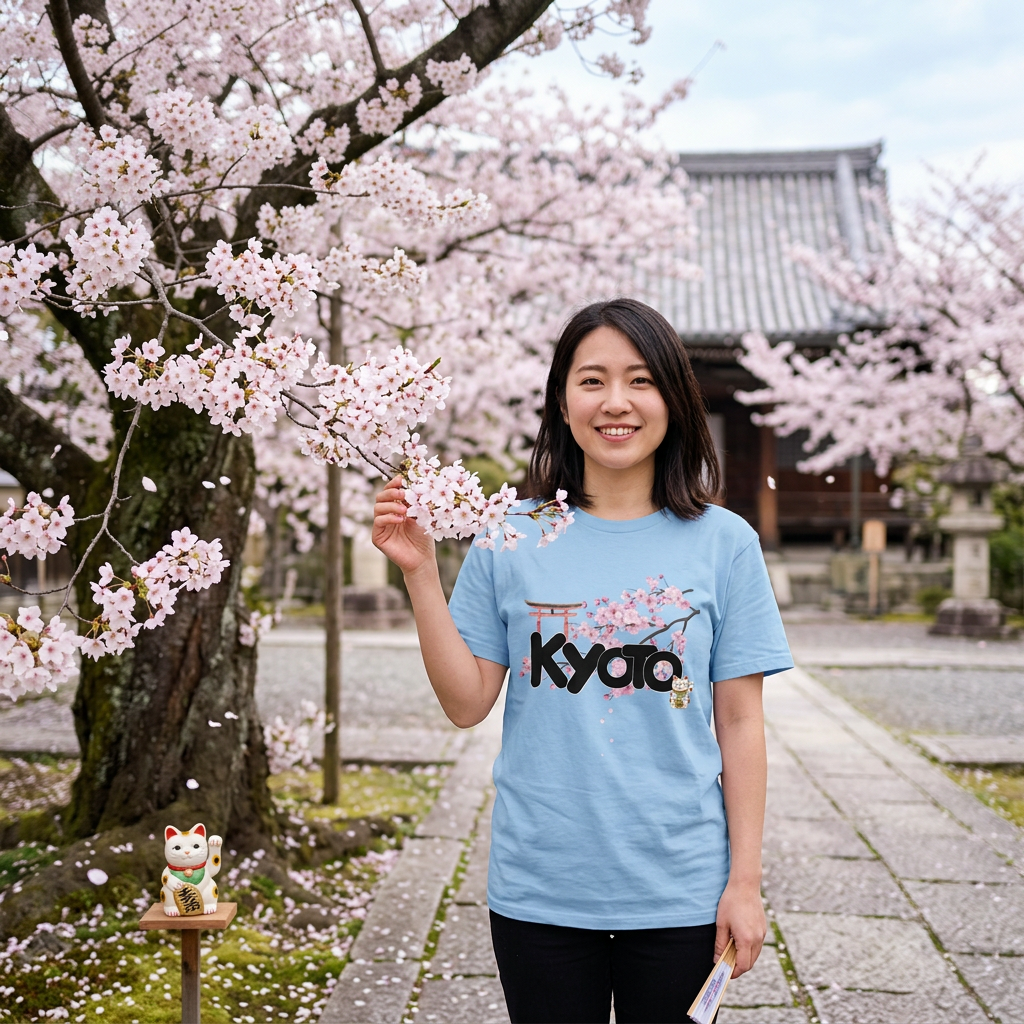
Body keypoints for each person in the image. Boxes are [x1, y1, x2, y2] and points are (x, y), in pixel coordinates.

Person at [372, 298, 793, 1024]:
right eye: (592, 380)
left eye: (640, 380)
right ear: (562, 402)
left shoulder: (725, 543)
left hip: (680, 887)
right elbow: (466, 702)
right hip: (540, 885)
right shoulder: (508, 536)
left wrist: (744, 883)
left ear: (674, 399)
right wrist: (419, 573)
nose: (616, 403)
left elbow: (741, 722)